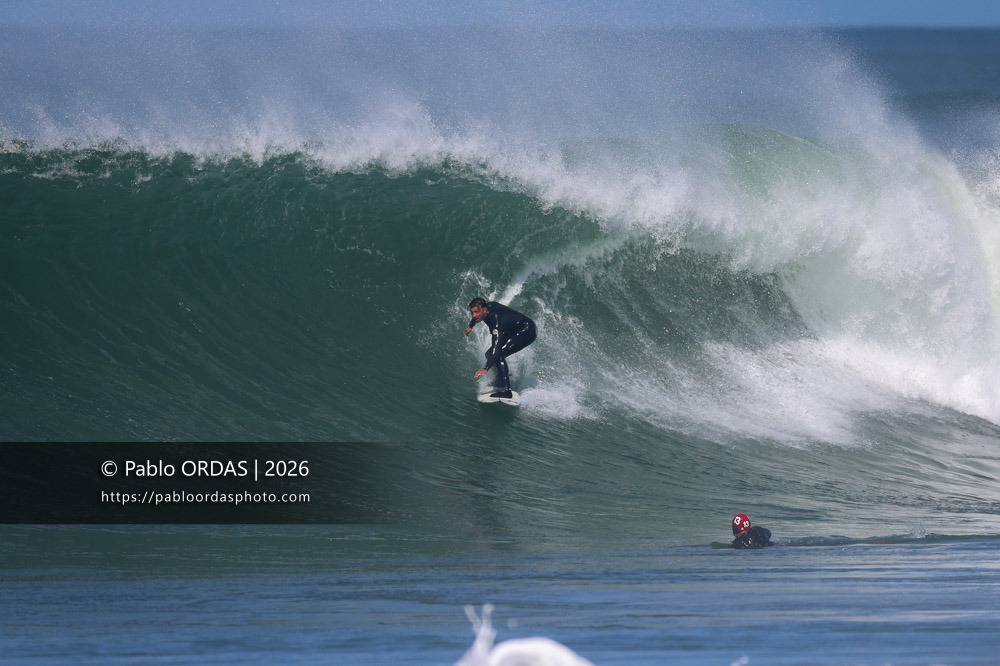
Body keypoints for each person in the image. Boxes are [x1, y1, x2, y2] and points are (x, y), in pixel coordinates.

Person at [465, 297, 537, 399]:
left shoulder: (495, 319)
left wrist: (486, 368)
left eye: (476, 312)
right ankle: (500, 379)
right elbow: (477, 316)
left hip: (527, 330)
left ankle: (507, 391)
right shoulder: (485, 307)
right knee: (489, 354)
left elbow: (496, 347)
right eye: (472, 313)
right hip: (514, 329)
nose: (474, 315)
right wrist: (471, 325)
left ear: (484, 310)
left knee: (498, 355)